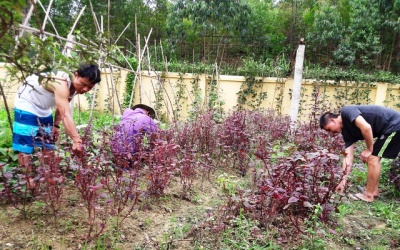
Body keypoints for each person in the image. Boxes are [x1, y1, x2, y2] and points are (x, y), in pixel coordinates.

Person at [12, 64, 101, 185]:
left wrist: (56, 125)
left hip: (44, 108)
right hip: (27, 104)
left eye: (89, 87)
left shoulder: (74, 87)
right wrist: (76, 139)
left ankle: (50, 178)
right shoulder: (61, 82)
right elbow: (66, 114)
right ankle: (28, 182)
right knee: (25, 146)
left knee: (48, 145)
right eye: (84, 84)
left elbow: (63, 105)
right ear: (75, 75)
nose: (85, 89)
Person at [320, 105, 400, 202]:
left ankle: (368, 196)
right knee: (373, 158)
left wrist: (369, 149)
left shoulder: (346, 111)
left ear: (332, 120)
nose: (331, 132)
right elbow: (348, 157)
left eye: (328, 129)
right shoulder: (346, 133)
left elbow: (366, 128)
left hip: (395, 124)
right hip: (389, 128)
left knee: (372, 158)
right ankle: (374, 191)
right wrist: (343, 180)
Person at [111, 104, 158, 169]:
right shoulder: (146, 118)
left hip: (115, 152)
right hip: (129, 155)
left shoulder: (126, 114)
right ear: (148, 112)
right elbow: (155, 138)